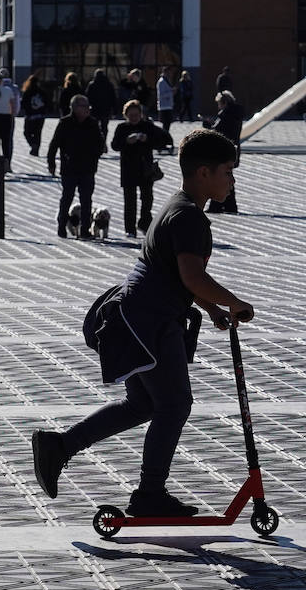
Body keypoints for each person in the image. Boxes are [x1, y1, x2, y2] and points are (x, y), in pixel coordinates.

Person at [30, 128, 254, 517]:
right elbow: (191, 276)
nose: (232, 181)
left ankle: (59, 447)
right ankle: (150, 493)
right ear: (203, 173)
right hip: (149, 322)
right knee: (174, 405)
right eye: (227, 172)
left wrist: (212, 309)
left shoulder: (179, 207)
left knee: (144, 404)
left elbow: (177, 275)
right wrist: (234, 302)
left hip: (136, 315)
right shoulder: (190, 219)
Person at [47, 95, 105, 239]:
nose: (87, 109)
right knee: (67, 198)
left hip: (88, 168)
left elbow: (100, 143)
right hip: (69, 168)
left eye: (87, 106)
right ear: (75, 108)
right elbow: (54, 144)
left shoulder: (92, 123)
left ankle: (85, 230)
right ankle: (62, 226)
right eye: (84, 106)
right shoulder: (65, 123)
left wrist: (95, 155)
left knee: (86, 200)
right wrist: (51, 163)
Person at [111, 99, 169, 237]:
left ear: (141, 114)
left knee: (147, 199)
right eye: (131, 115)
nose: (134, 118)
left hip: (145, 168)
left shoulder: (148, 126)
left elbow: (163, 141)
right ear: (126, 115)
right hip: (128, 168)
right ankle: (130, 228)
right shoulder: (122, 128)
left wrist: (147, 139)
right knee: (129, 200)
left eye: (136, 115)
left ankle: (144, 223)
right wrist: (126, 141)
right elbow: (114, 145)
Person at [203, 91, 243, 214]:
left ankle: (217, 205)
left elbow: (218, 132)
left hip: (223, 150)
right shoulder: (236, 114)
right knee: (226, 176)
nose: (218, 106)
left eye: (219, 103)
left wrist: (207, 126)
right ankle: (230, 205)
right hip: (233, 148)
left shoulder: (225, 115)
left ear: (224, 102)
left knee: (219, 176)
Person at [20, 72, 50, 156]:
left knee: (27, 132)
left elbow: (23, 103)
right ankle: (36, 149)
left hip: (30, 116)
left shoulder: (27, 92)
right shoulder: (42, 92)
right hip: (40, 116)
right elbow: (47, 102)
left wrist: (26, 110)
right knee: (38, 133)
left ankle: (33, 145)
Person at [85, 69, 117, 139]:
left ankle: (96, 140)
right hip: (106, 109)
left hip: (95, 109)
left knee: (94, 126)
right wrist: (114, 110)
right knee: (104, 127)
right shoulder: (109, 84)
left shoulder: (92, 84)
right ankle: (103, 140)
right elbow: (113, 98)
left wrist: (87, 108)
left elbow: (88, 97)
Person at [155, 65, 176, 146]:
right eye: (168, 72)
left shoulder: (167, 80)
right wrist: (171, 92)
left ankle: (164, 141)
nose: (170, 74)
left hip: (168, 106)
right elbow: (161, 95)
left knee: (167, 125)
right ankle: (163, 141)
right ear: (165, 72)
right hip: (164, 107)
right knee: (165, 126)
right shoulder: (161, 81)